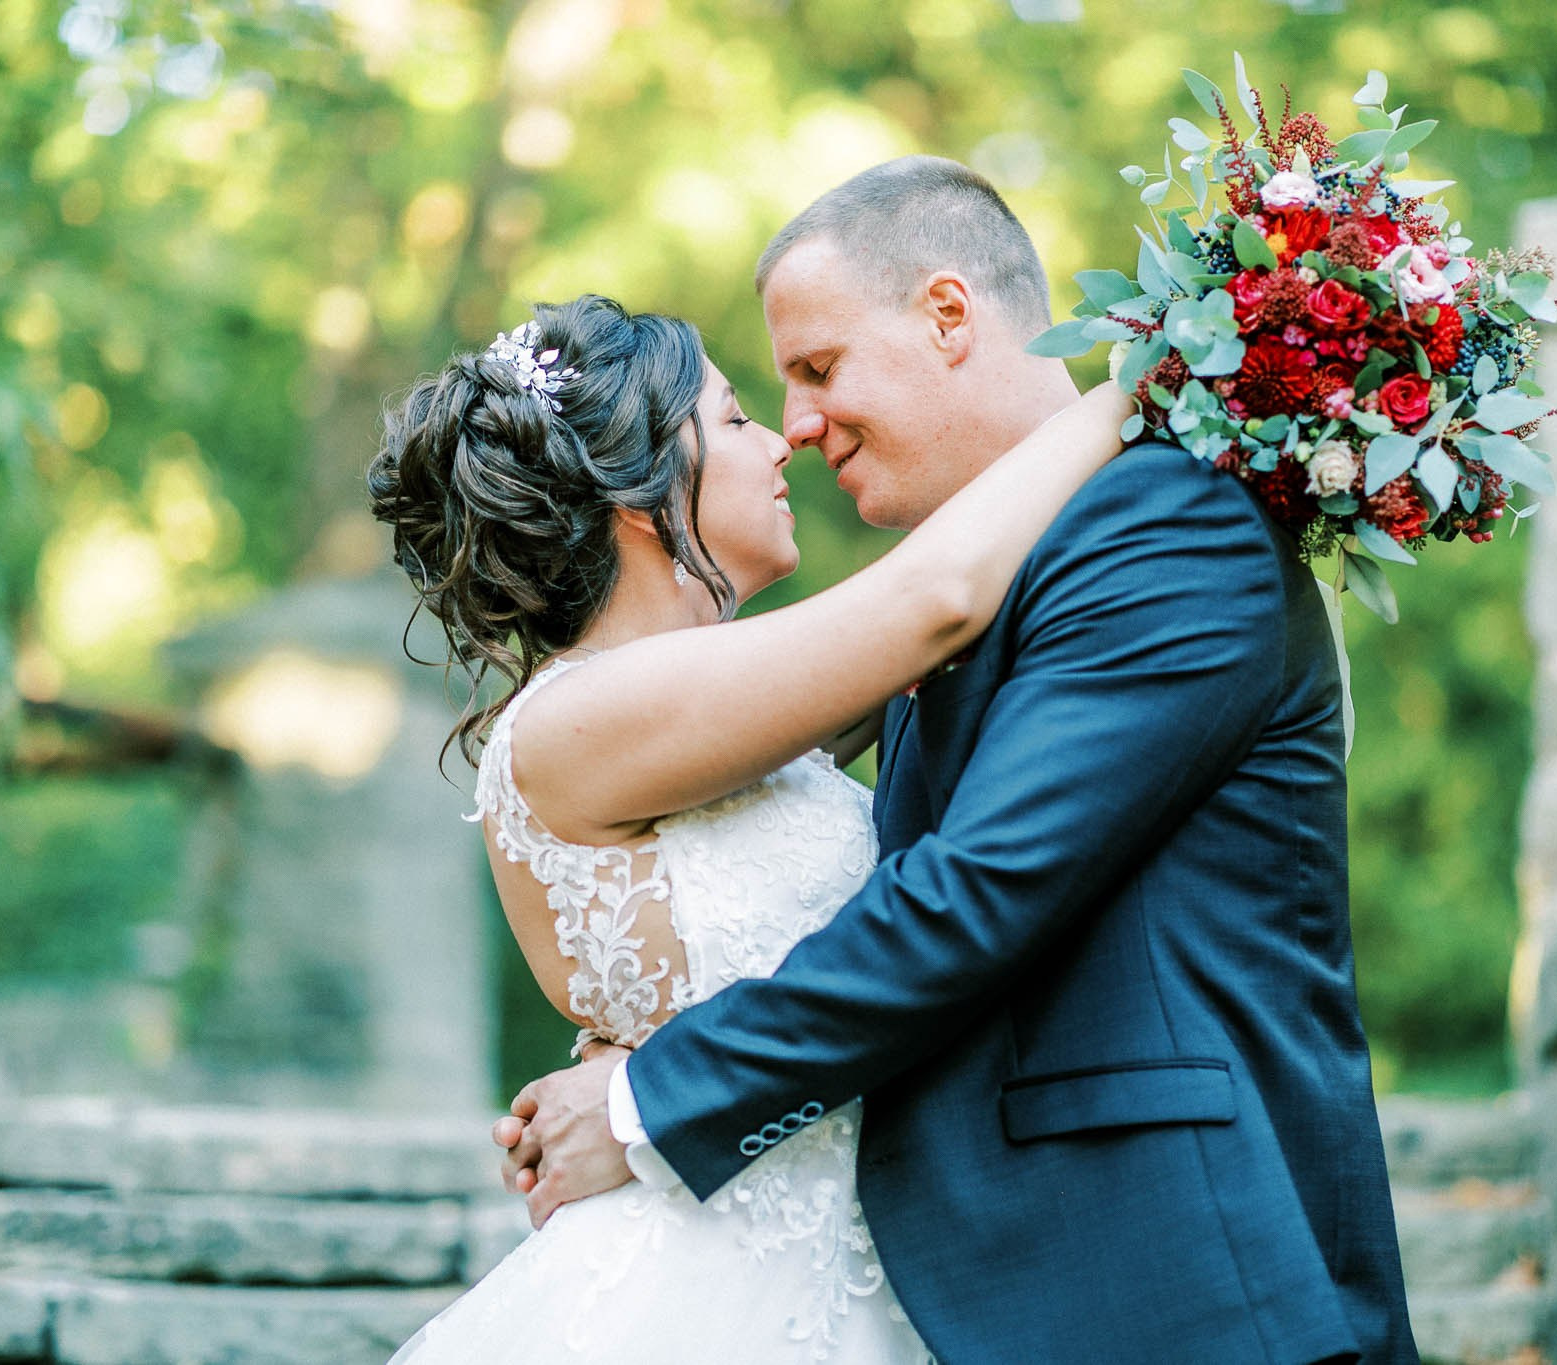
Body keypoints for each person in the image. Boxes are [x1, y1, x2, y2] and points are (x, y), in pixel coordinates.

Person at [497, 156, 1420, 1363]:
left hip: (1171, 1273)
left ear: (946, 316)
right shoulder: (965, 586)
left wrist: (645, 1098)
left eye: (819, 370)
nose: (803, 425)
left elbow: (977, 892)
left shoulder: (1162, 524)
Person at [370, 280, 1134, 1362]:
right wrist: (1145, 383)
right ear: (640, 497)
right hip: (703, 1294)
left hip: (848, 1264)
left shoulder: (717, 716)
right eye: (733, 420)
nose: (783, 442)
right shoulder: (581, 716)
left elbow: (931, 648)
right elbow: (937, 601)